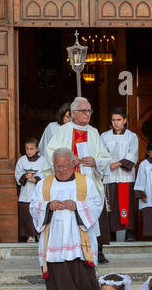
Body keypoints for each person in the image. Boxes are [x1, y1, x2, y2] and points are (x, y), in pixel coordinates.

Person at [31, 148, 103, 290]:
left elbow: (97, 205)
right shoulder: (44, 184)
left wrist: (76, 206)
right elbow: (34, 206)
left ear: (72, 164)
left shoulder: (85, 183)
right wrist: (49, 206)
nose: (61, 170)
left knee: (84, 281)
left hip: (79, 244)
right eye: (57, 167)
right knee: (59, 282)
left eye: (64, 166)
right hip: (54, 244)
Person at [44, 97, 113, 263]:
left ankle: (97, 250)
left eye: (89, 111)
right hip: (68, 181)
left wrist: (95, 161)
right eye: (84, 111)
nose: (87, 114)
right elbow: (50, 151)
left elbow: (105, 157)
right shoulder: (63, 130)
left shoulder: (94, 132)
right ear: (74, 113)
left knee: (91, 211)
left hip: (88, 179)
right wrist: (67, 161)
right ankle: (69, 249)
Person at [99, 107, 138, 247]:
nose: (116, 123)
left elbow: (132, 154)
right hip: (109, 177)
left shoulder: (132, 136)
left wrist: (117, 163)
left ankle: (127, 232)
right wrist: (105, 163)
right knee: (110, 204)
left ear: (125, 120)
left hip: (125, 176)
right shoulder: (104, 136)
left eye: (119, 120)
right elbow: (100, 153)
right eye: (113, 120)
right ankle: (110, 233)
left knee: (124, 204)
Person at [14, 138, 44, 243]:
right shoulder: (22, 160)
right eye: (27, 149)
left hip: (38, 193)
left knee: (38, 213)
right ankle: (29, 236)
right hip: (25, 193)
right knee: (26, 215)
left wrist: (36, 179)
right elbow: (17, 174)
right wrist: (24, 176)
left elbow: (45, 174)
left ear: (37, 149)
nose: (29, 151)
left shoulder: (42, 160)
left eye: (31, 149)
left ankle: (39, 234)